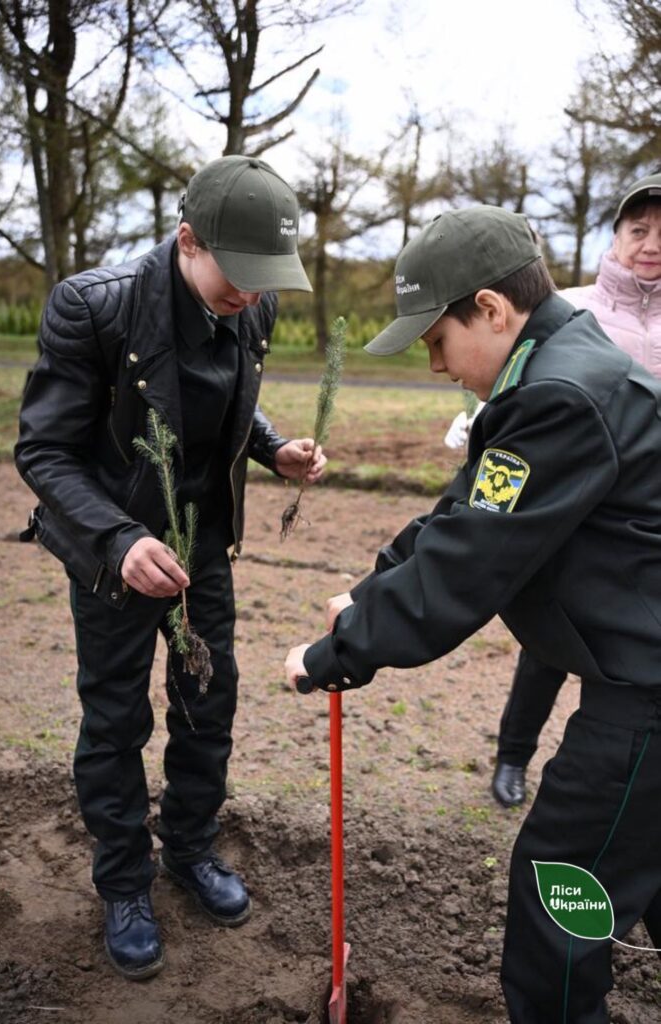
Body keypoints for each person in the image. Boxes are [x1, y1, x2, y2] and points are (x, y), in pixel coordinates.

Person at [285, 204, 661, 1024]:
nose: (432, 365)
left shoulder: (559, 392)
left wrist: (334, 651)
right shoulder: (557, 367)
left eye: (434, 340)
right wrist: (372, 583)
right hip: (638, 670)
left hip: (648, 691)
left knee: (562, 877)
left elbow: (469, 567)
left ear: (489, 310)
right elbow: (464, 511)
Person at [15, 155, 326, 980]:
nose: (252, 298)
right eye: (240, 276)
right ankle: (123, 883)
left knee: (206, 705)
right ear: (187, 240)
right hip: (114, 555)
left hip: (202, 549)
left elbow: (223, 395)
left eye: (267, 281)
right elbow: (43, 449)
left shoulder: (245, 307)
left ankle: (188, 850)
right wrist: (118, 540)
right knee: (115, 722)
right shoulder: (96, 306)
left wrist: (270, 446)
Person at [484, 170, 661, 808]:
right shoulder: (576, 308)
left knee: (632, 647)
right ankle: (513, 756)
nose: (650, 243)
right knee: (551, 636)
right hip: (568, 505)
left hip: (643, 516)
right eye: (638, 229)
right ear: (615, 236)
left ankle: (620, 771)